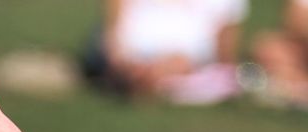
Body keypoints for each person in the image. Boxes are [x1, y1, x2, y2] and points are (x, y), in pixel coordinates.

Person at [92, 0, 248, 104]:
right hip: (131, 46)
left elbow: (226, 31)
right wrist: (116, 46)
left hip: (188, 55)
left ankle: (139, 77)